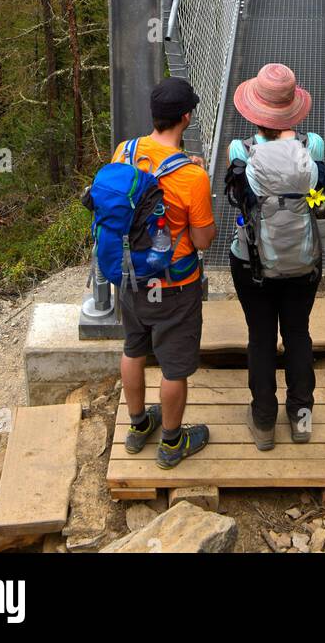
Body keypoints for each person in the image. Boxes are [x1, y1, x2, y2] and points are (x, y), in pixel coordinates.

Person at [116, 78, 217, 468]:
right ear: (187, 117)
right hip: (174, 285)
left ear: (154, 115)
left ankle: (139, 425)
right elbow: (203, 239)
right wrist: (199, 187)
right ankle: (172, 442)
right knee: (174, 367)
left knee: (133, 348)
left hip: (130, 277)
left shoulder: (124, 153)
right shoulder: (192, 177)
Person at [227, 63, 325, 451]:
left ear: (254, 111)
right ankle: (301, 418)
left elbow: (239, 197)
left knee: (261, 337)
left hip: (253, 263)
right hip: (302, 261)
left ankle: (265, 422)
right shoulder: (312, 146)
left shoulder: (242, 150)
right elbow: (318, 197)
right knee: (298, 333)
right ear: (293, 108)